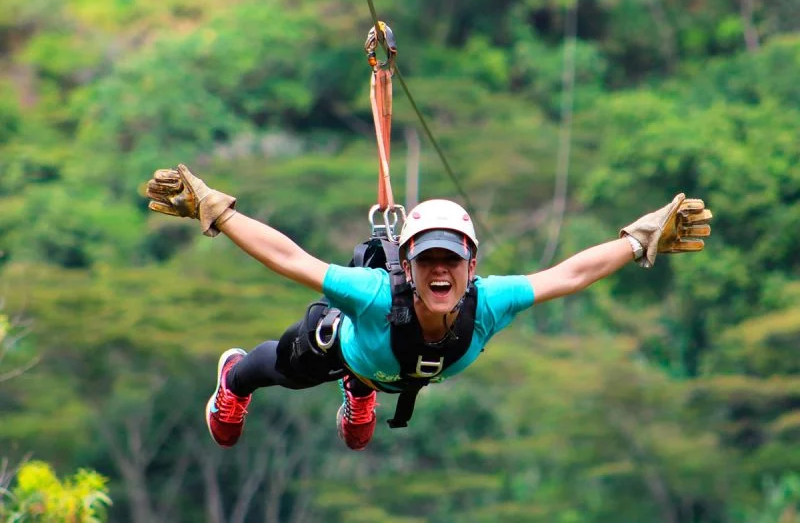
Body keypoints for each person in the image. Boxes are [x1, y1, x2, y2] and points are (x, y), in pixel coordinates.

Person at [145, 164, 712, 451]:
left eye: (451, 261)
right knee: (288, 366)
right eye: (426, 261)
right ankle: (232, 381)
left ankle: (362, 391)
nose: (440, 271)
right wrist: (217, 211)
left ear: (471, 265)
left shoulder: (489, 302)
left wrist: (638, 239)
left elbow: (569, 274)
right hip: (351, 345)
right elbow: (291, 259)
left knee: (374, 377)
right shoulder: (372, 294)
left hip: (387, 367)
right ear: (407, 268)